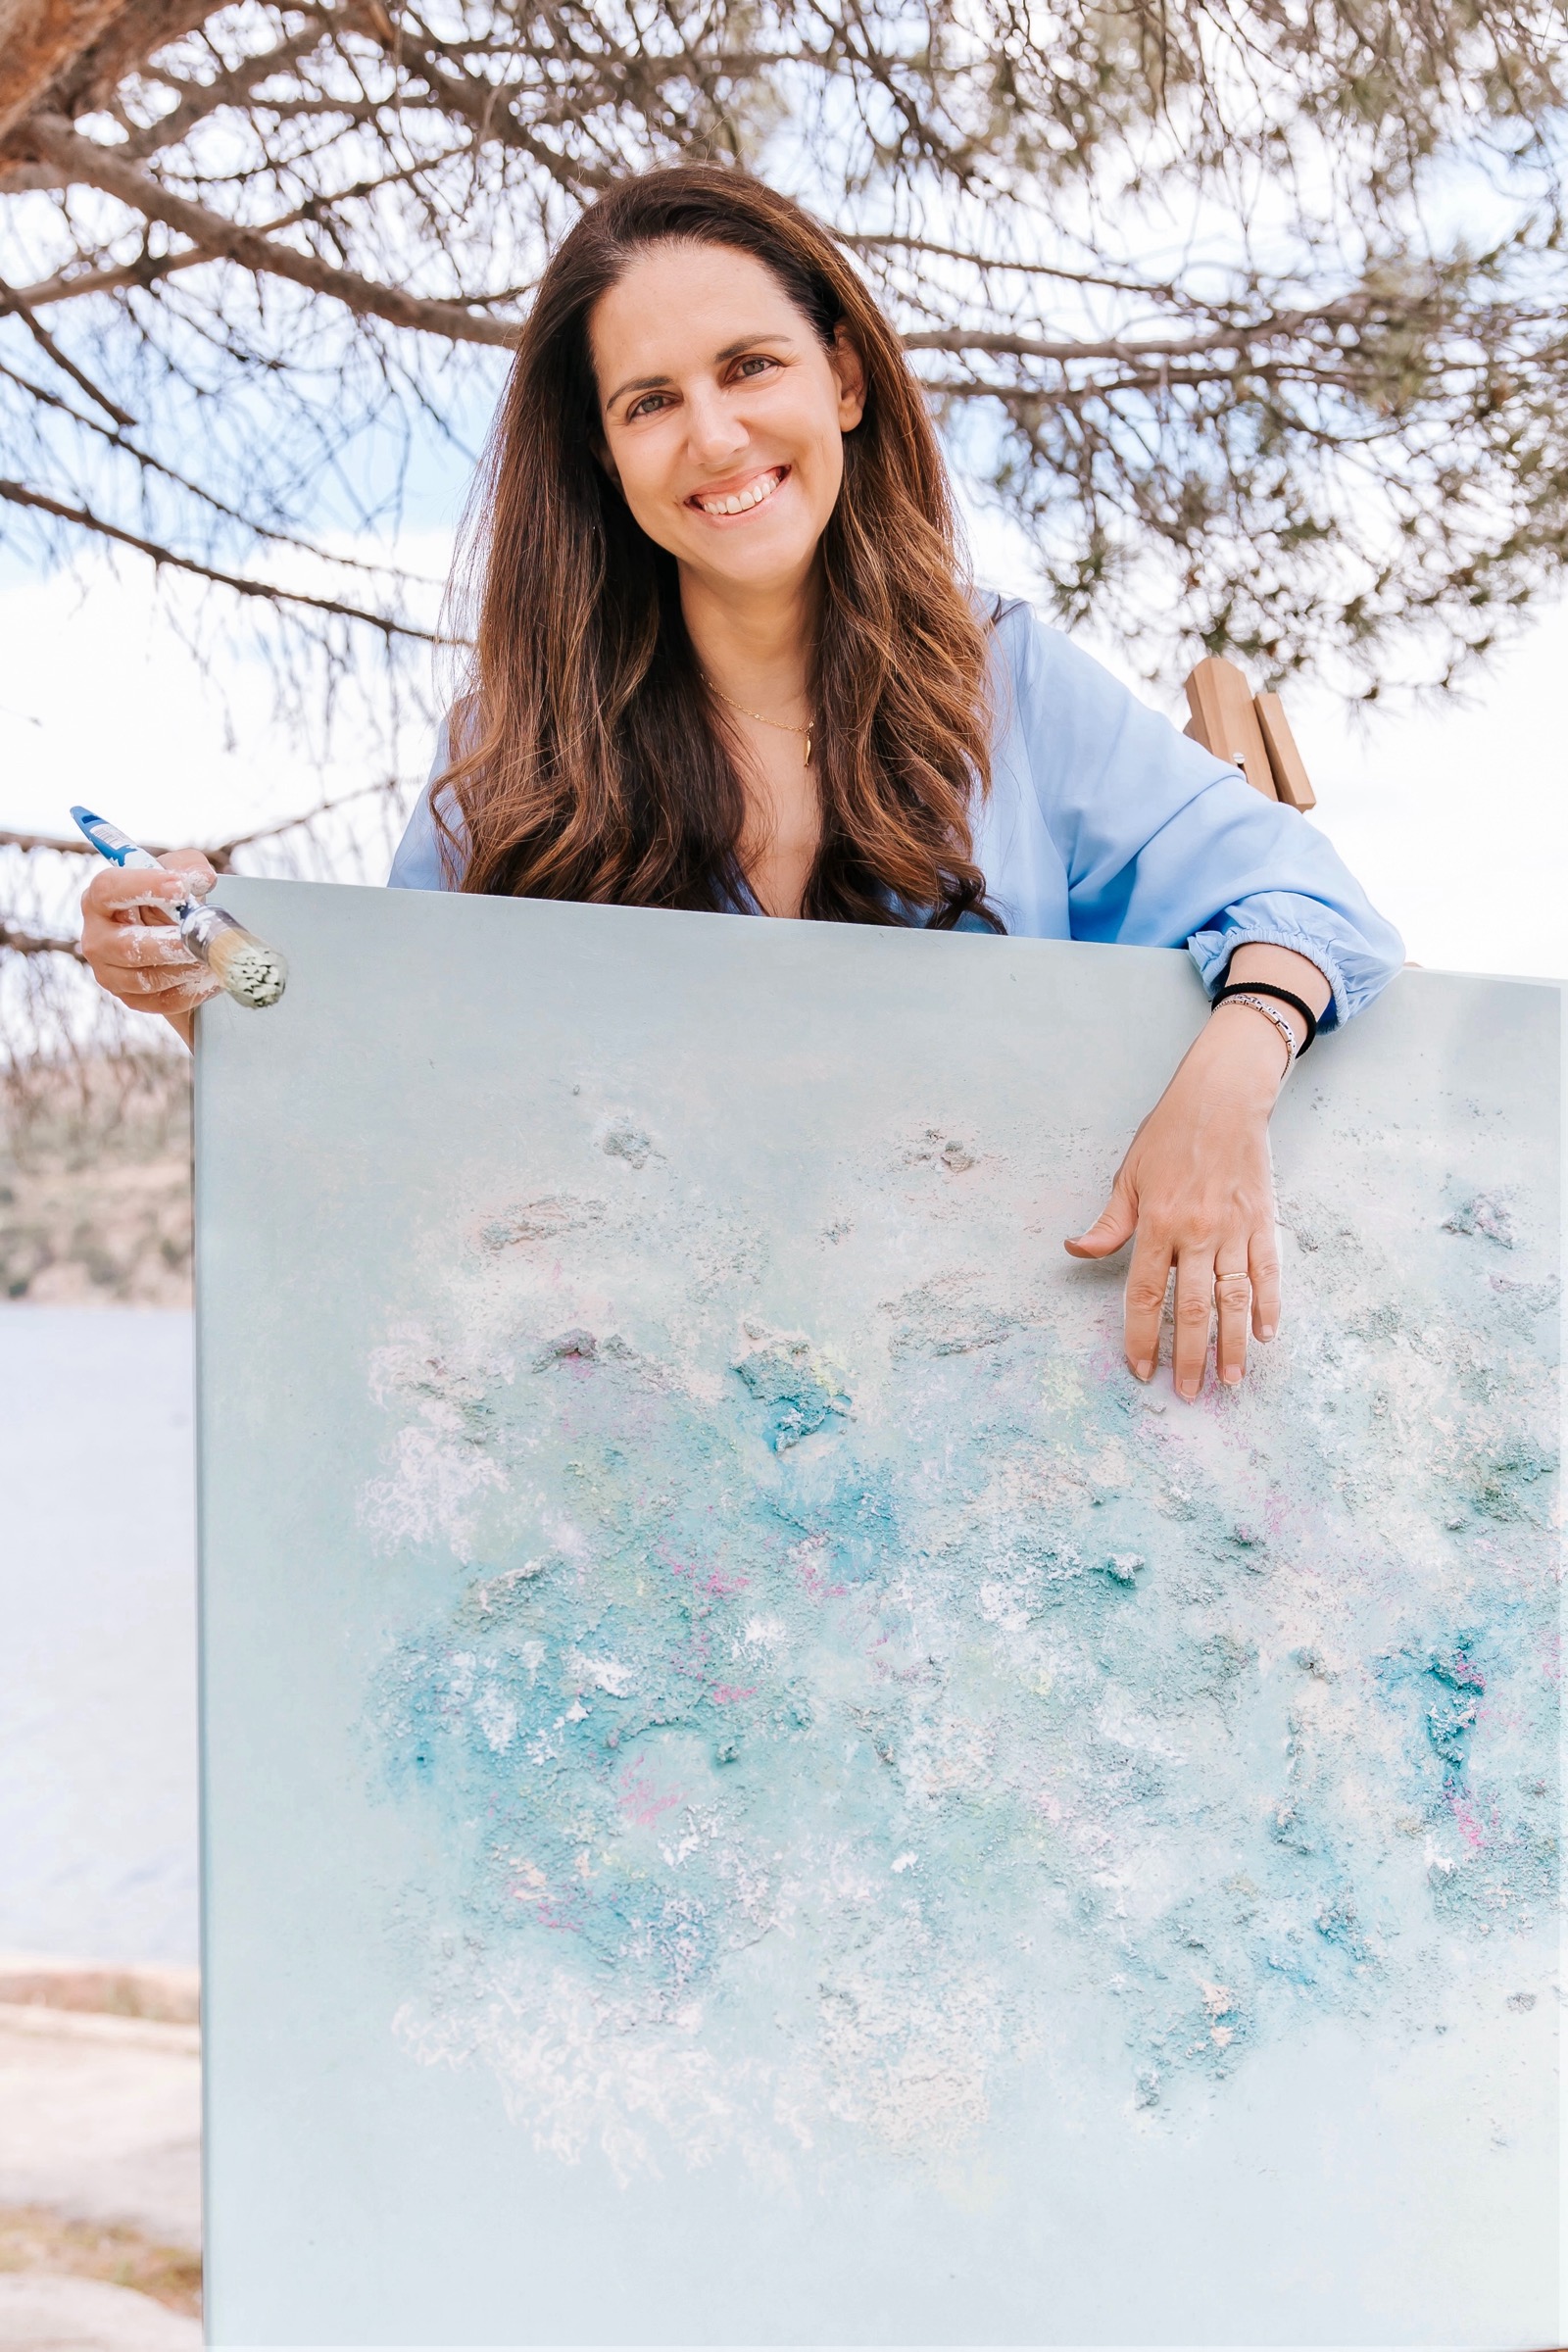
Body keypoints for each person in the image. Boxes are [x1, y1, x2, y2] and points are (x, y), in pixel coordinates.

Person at [79, 165, 1403, 1399]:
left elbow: (1312, 901)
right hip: (640, 1450)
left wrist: (1231, 1078)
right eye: (650, 401)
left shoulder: (1006, 680)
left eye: (748, 367)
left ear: (843, 379)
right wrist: (209, 986)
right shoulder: (513, 744)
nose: (713, 436)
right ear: (603, 455)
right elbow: (388, 1082)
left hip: (984, 1435)